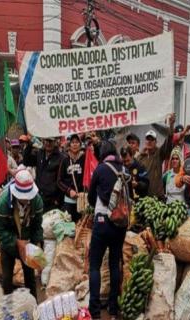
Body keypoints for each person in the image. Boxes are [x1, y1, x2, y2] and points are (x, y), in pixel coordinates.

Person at [88, 141, 128, 320]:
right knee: (114, 264)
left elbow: (90, 197)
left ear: (103, 154)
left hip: (103, 221)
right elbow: (130, 197)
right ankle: (113, 310)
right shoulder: (124, 170)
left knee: (95, 266)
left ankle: (95, 312)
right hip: (120, 224)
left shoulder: (101, 169)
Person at [0, 169, 43, 298]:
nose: (26, 200)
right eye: (23, 198)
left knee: (30, 279)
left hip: (28, 244)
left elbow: (37, 226)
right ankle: (8, 310)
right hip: (8, 245)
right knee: (7, 279)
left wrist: (36, 246)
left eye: (29, 197)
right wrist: (16, 241)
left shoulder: (37, 201)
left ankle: (33, 308)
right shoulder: (4, 202)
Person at [137, 113, 176, 199]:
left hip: (158, 197)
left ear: (156, 142)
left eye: (152, 139)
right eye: (148, 139)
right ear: (145, 141)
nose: (149, 141)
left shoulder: (159, 154)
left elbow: (169, 141)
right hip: (143, 197)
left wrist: (171, 125)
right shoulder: (140, 157)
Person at [23, 137, 64, 212]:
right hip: (38, 196)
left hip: (52, 200)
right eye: (46, 140)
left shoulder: (61, 157)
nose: (48, 143)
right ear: (43, 141)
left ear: (55, 142)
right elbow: (26, 161)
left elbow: (62, 179)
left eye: (50, 141)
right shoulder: (39, 153)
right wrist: (29, 145)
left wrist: (58, 199)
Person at [57, 134, 85, 222]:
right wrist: (69, 191)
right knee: (69, 227)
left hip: (82, 200)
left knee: (82, 227)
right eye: (72, 142)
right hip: (69, 201)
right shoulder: (65, 160)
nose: (75, 144)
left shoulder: (84, 158)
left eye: (77, 142)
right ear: (69, 145)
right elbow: (59, 181)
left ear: (80, 145)